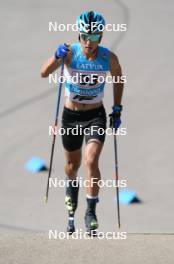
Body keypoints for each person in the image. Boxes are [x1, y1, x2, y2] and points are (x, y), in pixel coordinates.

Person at [41, 11, 124, 235]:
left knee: (91, 160)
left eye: (95, 37)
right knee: (72, 167)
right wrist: (56, 56)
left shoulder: (108, 57)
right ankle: (71, 193)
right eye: (86, 36)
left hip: (95, 115)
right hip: (71, 117)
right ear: (79, 35)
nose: (89, 42)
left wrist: (117, 108)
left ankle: (90, 211)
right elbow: (43, 72)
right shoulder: (69, 53)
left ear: (101, 36)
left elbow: (119, 78)